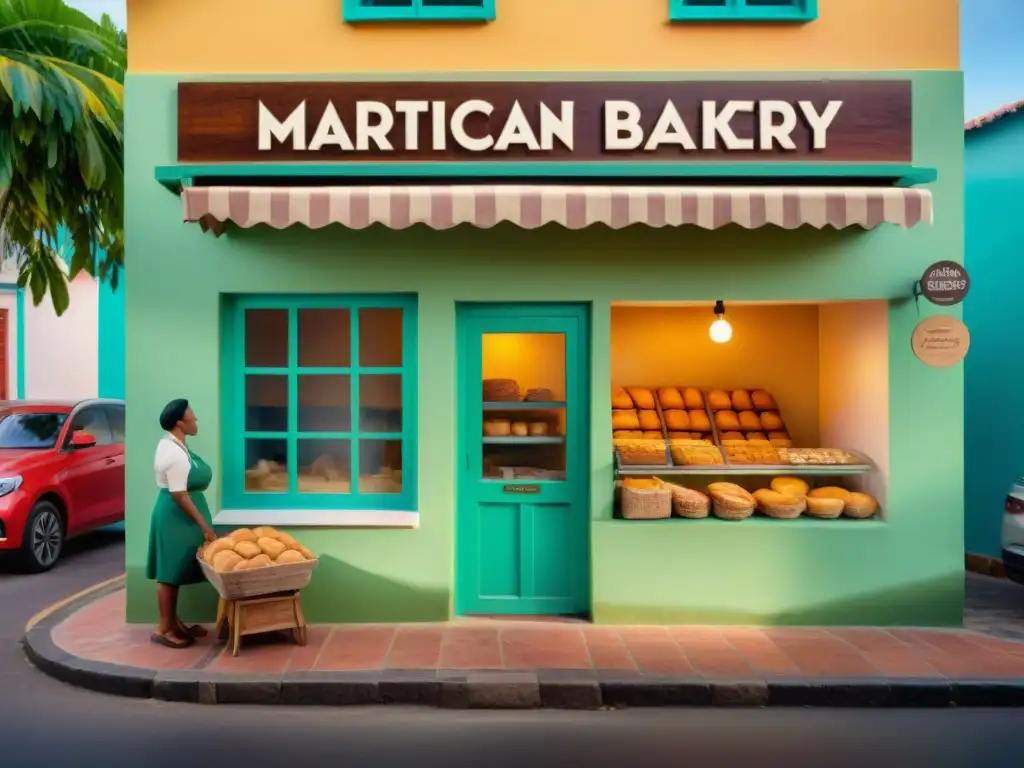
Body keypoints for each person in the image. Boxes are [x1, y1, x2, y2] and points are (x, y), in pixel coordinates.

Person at [146, 399, 216, 648]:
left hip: (178, 518)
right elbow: (179, 494)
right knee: (168, 573)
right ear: (179, 423)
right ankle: (163, 629)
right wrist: (204, 526)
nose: (195, 421)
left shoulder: (175, 444)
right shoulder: (174, 453)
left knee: (175, 571)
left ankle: (173, 622)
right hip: (175, 519)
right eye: (192, 418)